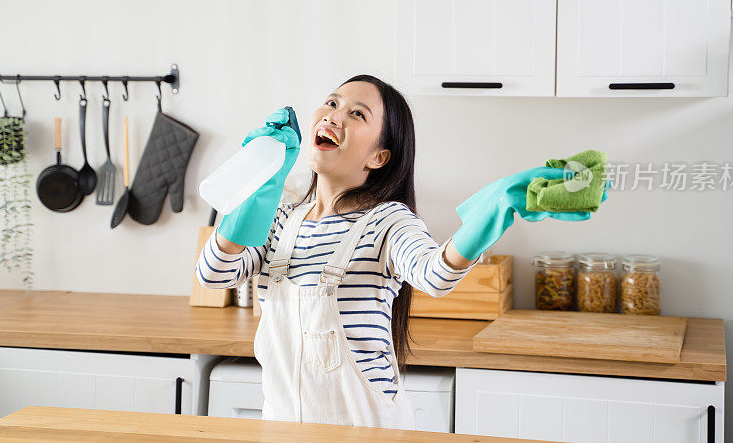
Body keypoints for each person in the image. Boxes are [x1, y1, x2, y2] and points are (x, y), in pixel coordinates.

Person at [196, 74, 586, 430]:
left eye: (356, 114)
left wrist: (494, 212)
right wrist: (259, 180)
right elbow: (213, 274)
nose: (334, 116)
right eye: (331, 104)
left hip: (365, 433)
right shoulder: (279, 219)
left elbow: (435, 275)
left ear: (378, 157)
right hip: (282, 431)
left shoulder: (387, 222)